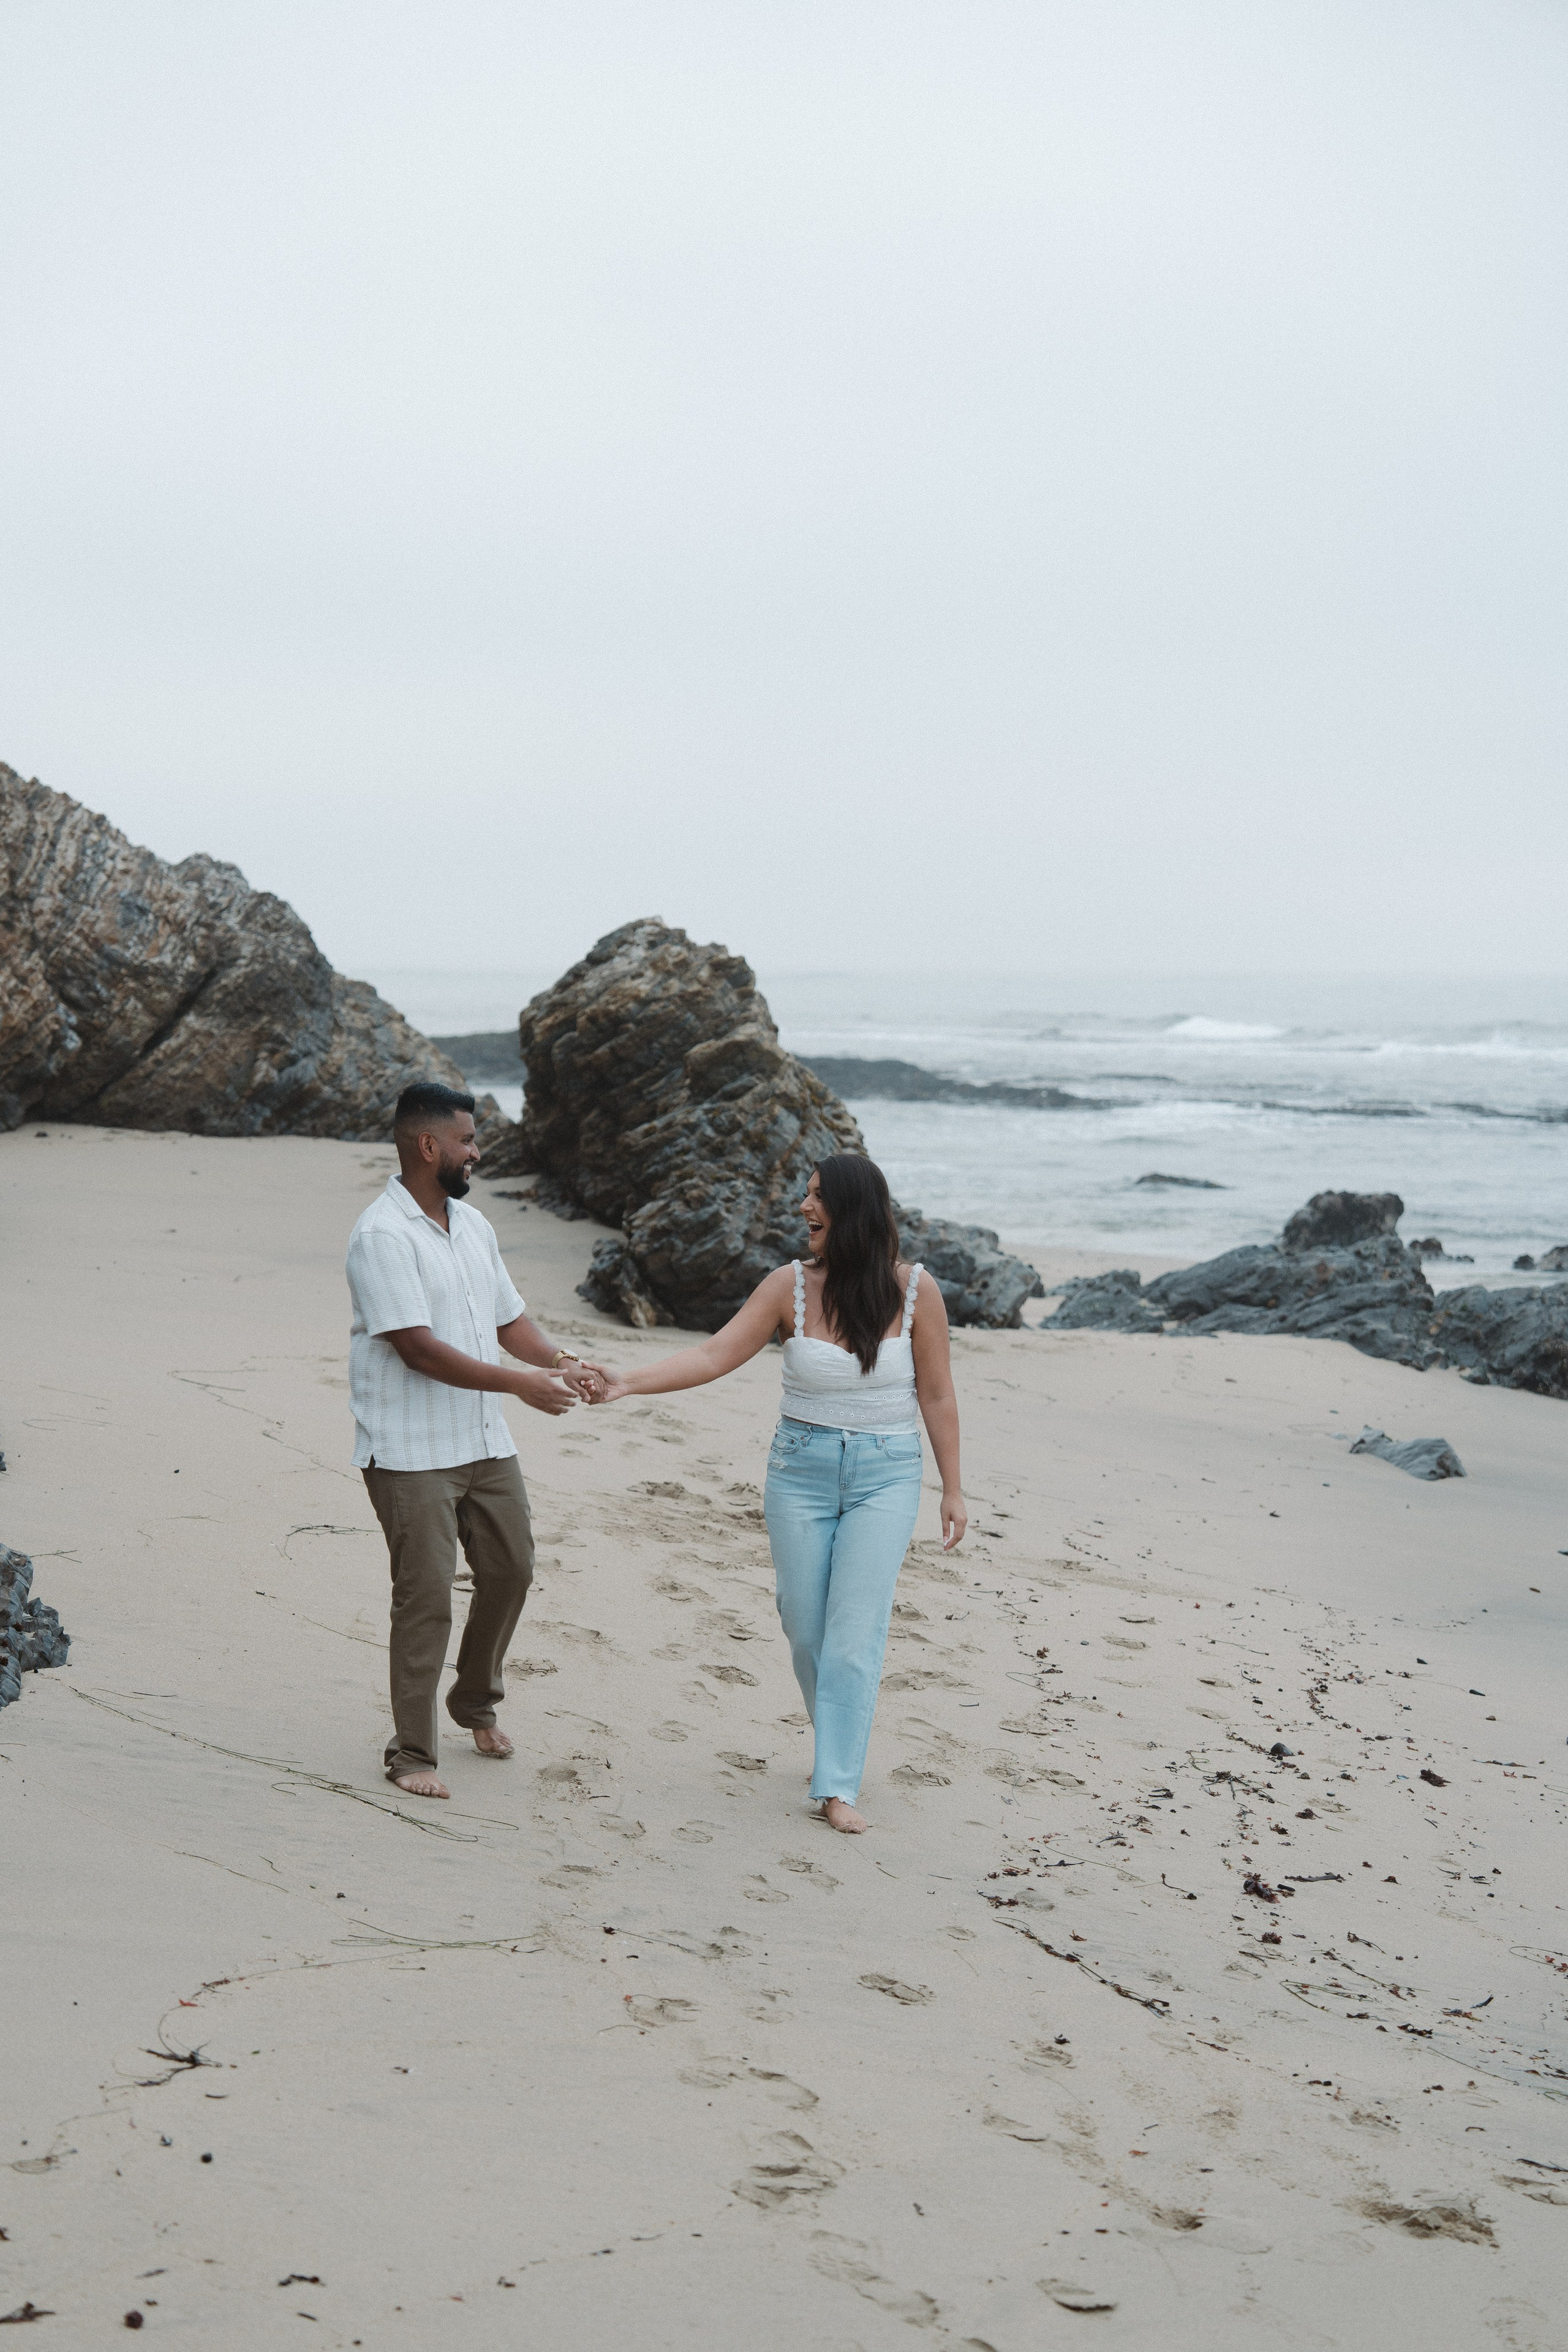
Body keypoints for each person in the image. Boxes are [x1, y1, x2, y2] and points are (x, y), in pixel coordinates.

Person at [594, 1153, 965, 1832]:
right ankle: (837, 1749)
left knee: (854, 1634)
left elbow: (936, 1393)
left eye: (818, 1196)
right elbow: (712, 1355)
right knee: (803, 1623)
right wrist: (627, 1382)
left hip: (887, 1475)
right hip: (801, 1472)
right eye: (804, 1193)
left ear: (852, 1209)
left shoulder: (917, 1292)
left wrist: (953, 1488)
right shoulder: (788, 1287)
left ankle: (837, 1785)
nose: (803, 1207)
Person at [346, 1081, 608, 1799]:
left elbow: (509, 1322)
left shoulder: (474, 1227)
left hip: (482, 1441)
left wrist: (559, 1363)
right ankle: (411, 1753)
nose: (477, 1151)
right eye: (466, 1140)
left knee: (512, 1569)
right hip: (407, 1450)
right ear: (429, 1147)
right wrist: (520, 1386)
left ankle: (474, 1699)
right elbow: (418, 1351)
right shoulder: (381, 1236)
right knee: (426, 1596)